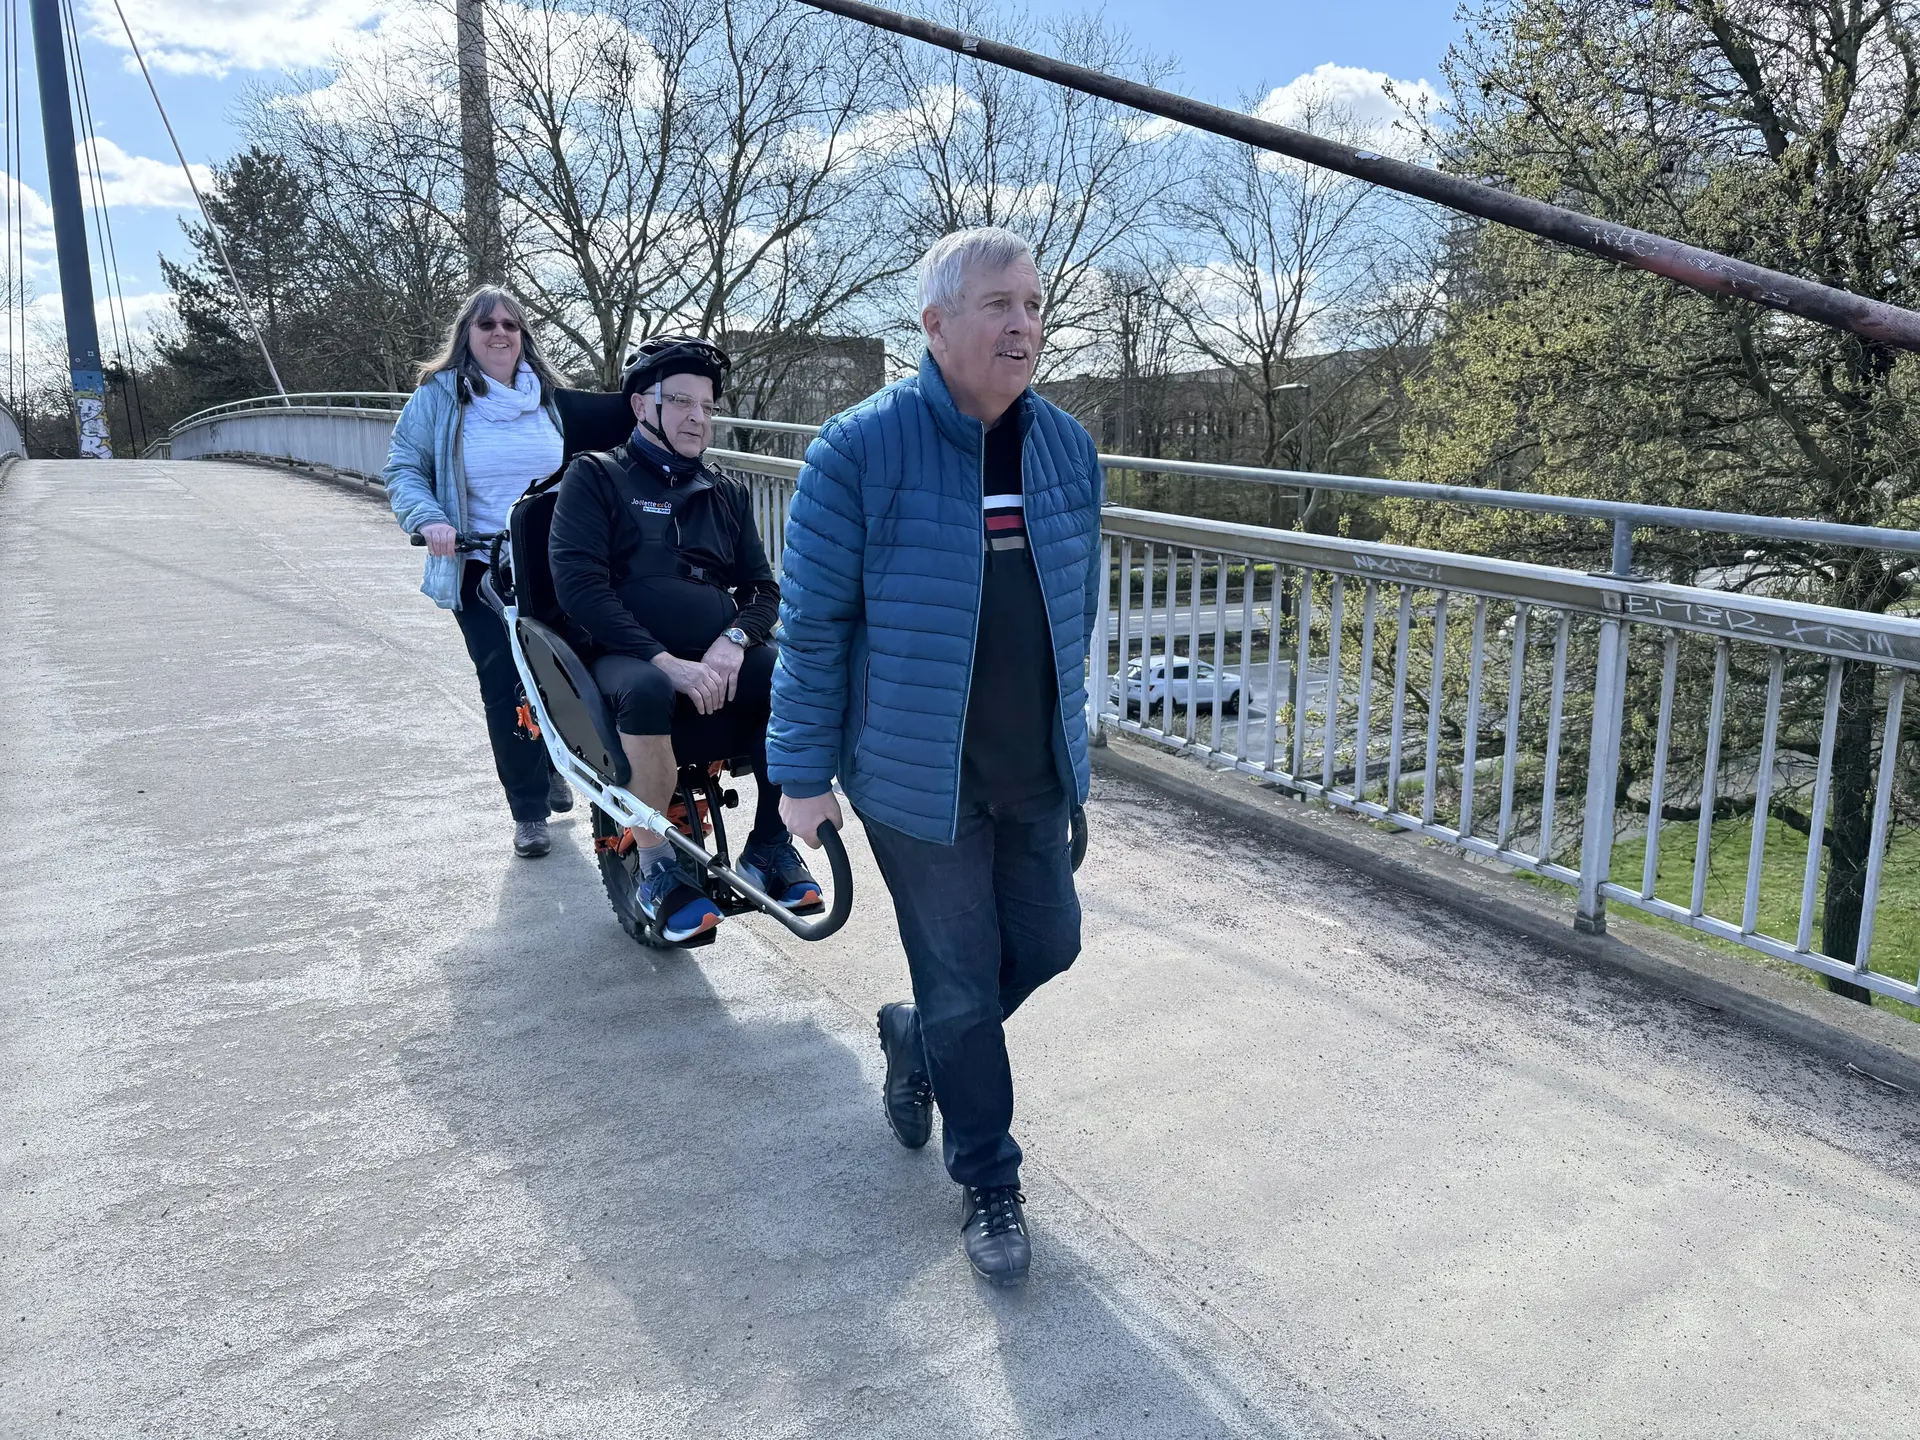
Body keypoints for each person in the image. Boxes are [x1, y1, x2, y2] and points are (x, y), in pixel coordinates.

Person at [768, 229, 1103, 1287]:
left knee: (1049, 943)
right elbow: (812, 626)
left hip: (1032, 768)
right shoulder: (858, 450)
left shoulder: (1066, 449)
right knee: (962, 983)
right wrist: (800, 774)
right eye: (999, 305)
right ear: (935, 324)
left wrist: (1072, 747)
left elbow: (1075, 615)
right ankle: (988, 1179)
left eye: (1034, 306)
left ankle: (917, 1038)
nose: (1023, 326)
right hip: (919, 779)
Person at [548, 336, 821, 944]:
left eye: (706, 405)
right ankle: (655, 866)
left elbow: (762, 589)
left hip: (713, 654)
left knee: (791, 672)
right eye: (680, 401)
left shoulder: (725, 491)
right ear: (641, 406)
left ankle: (769, 845)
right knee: (646, 687)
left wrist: (735, 639)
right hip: (623, 655)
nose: (698, 416)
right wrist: (664, 660)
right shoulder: (595, 476)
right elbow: (581, 589)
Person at [385, 286, 573, 858]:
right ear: (466, 335)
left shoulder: (553, 398)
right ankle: (528, 810)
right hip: (479, 564)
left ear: (524, 337)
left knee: (562, 675)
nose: (499, 333)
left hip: (552, 565)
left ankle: (551, 761)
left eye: (510, 325)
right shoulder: (440, 397)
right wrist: (430, 518)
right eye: (486, 324)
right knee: (506, 682)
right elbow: (404, 467)